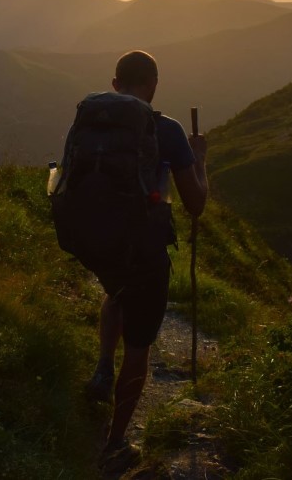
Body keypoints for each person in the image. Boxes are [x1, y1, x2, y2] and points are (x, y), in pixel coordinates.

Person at [88, 50, 208, 472]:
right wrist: (202, 161)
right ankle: (115, 443)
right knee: (139, 347)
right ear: (153, 84)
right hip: (145, 251)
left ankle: (104, 368)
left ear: (116, 84)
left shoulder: (94, 122)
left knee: (115, 293)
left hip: (100, 241)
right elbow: (195, 204)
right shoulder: (168, 130)